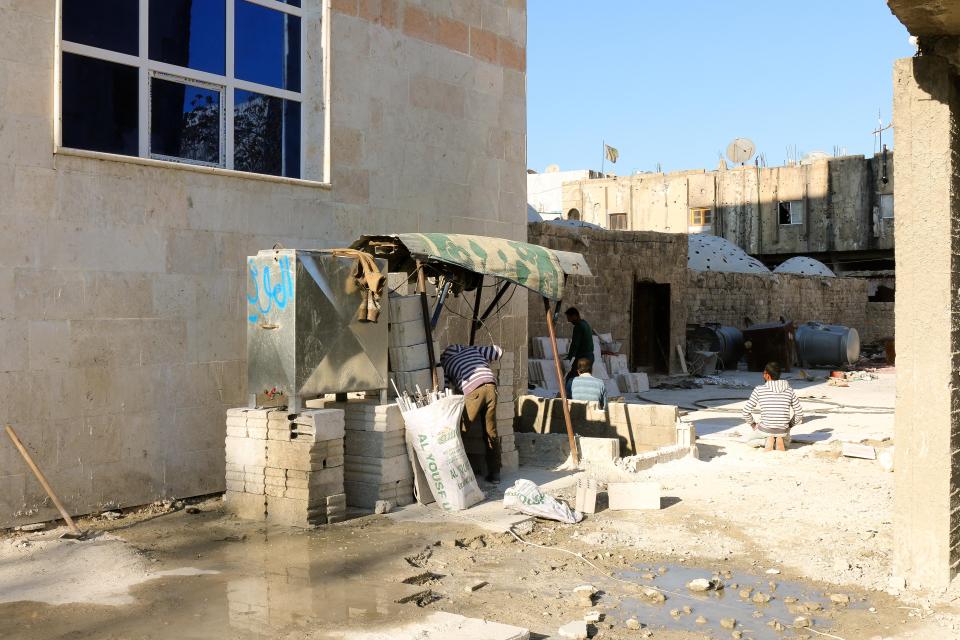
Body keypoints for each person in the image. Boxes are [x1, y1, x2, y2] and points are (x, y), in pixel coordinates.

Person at [439, 343, 503, 483]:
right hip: (491, 386)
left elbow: (444, 389)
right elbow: (498, 351)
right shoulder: (473, 350)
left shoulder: (445, 362)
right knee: (491, 432)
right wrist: (479, 353)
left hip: (474, 390)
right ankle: (495, 474)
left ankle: (459, 475)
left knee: (461, 431)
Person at [741, 362, 803, 452]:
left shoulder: (759, 389)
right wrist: (789, 425)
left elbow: (745, 412)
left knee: (750, 441)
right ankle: (778, 440)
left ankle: (767, 441)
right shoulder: (789, 390)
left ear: (767, 375)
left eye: (764, 373)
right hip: (783, 430)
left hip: (765, 429)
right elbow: (799, 413)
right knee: (787, 442)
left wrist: (753, 425)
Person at [563, 307, 594, 395]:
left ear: (574, 316)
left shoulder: (579, 326)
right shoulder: (585, 323)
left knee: (571, 377)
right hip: (590, 356)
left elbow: (575, 344)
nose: (568, 320)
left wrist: (569, 358)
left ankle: (568, 396)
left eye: (569, 318)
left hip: (583, 357)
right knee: (585, 378)